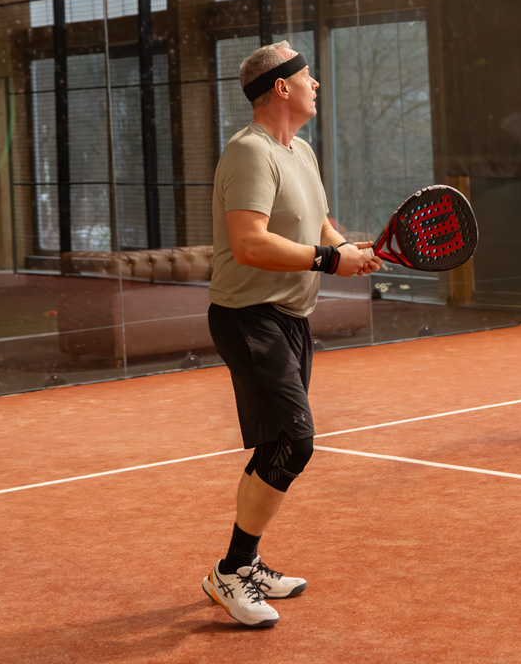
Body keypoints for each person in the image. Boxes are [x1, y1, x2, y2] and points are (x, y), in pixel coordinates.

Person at [203, 40, 381, 627]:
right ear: (282, 87)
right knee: (295, 442)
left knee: (276, 446)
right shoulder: (250, 154)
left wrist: (346, 250)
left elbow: (321, 226)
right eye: (309, 77)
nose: (316, 84)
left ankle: (245, 563)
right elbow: (250, 244)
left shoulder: (298, 151)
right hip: (249, 317)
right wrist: (329, 263)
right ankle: (231, 572)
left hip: (290, 318)